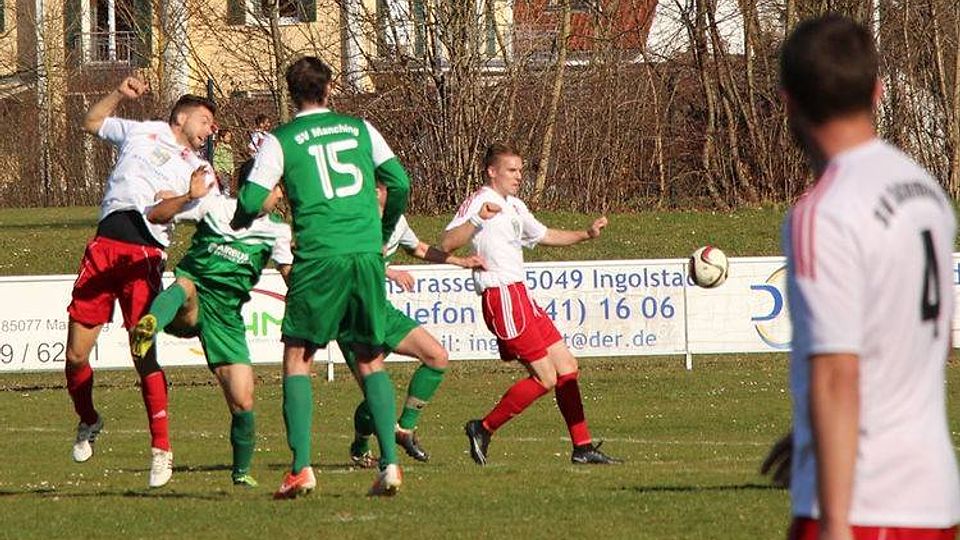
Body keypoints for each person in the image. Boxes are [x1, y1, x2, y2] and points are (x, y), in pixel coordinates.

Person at [779, 15, 959, 539]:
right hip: (934, 495)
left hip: (862, 502)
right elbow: (937, 341)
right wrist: (811, 435)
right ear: (878, 92)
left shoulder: (824, 210)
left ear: (790, 103)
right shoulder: (926, 192)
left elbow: (837, 373)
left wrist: (836, 524)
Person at [232, 56, 411, 498]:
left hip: (319, 257)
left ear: (290, 92)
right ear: (329, 88)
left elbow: (254, 196)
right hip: (366, 256)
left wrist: (239, 217)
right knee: (371, 358)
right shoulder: (360, 129)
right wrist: (381, 233)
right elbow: (400, 183)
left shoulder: (281, 140)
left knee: (298, 359)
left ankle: (301, 468)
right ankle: (389, 463)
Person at [65, 75, 218, 489]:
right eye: (205, 120)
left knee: (142, 351)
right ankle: (89, 419)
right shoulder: (143, 130)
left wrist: (188, 196)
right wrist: (118, 93)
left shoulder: (199, 172)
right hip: (103, 247)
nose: (210, 130)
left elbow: (165, 215)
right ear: (182, 116)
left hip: (144, 255)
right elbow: (91, 122)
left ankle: (161, 449)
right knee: (76, 357)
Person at [440, 142, 620, 466]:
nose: (519, 176)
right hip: (502, 296)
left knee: (567, 366)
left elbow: (545, 234)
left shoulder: (514, 206)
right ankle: (482, 428)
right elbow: (447, 242)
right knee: (545, 377)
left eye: (521, 170)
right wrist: (477, 221)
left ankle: (582, 447)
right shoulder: (482, 201)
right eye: (512, 170)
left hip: (520, 295)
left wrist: (586, 234)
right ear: (491, 171)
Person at [130, 159, 292, 488]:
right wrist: (184, 197)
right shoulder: (214, 207)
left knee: (243, 400)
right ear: (254, 188)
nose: (280, 194)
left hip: (226, 317)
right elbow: (155, 215)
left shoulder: (278, 230)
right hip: (190, 301)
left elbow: (291, 276)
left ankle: (241, 472)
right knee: (186, 286)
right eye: (275, 187)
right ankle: (148, 325)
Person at [346, 183, 485, 468]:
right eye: (389, 187)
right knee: (376, 393)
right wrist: (391, 272)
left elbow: (418, 248)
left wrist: (460, 261)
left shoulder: (396, 219)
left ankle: (405, 428)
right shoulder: (352, 217)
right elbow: (348, 260)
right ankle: (362, 448)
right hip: (352, 312)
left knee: (436, 356)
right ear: (375, 189)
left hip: (381, 310)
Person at [213, 128, 236, 195]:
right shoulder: (219, 147)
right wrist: (217, 170)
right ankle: (225, 198)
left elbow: (231, 159)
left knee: (225, 187)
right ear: (221, 138)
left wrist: (232, 170)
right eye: (228, 136)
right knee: (225, 187)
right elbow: (215, 159)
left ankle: (222, 197)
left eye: (230, 137)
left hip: (228, 172)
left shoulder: (229, 147)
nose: (229, 138)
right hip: (222, 171)